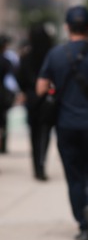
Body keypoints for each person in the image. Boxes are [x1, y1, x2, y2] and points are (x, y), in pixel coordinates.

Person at [35, 6, 88, 240]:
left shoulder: (55, 54)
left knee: (74, 177)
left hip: (65, 124)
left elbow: (41, 88)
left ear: (67, 27)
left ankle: (84, 225)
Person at [18, 23, 54, 180]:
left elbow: (20, 78)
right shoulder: (51, 56)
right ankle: (41, 163)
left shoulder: (26, 57)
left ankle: (37, 166)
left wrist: (28, 91)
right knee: (45, 133)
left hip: (32, 100)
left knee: (34, 135)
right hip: (48, 99)